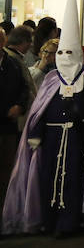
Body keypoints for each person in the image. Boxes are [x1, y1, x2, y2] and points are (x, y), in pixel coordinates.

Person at [1, 0, 84, 236]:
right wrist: (36, 133)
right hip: (52, 140)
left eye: (69, 53)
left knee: (73, 180)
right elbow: (39, 110)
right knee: (48, 178)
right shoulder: (52, 80)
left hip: (77, 139)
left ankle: (70, 222)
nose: (64, 58)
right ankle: (49, 221)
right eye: (60, 53)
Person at [0, 28, 30, 207]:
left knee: (6, 172)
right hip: (4, 118)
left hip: (9, 127)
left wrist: (20, 105)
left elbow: (23, 88)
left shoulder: (11, 63)